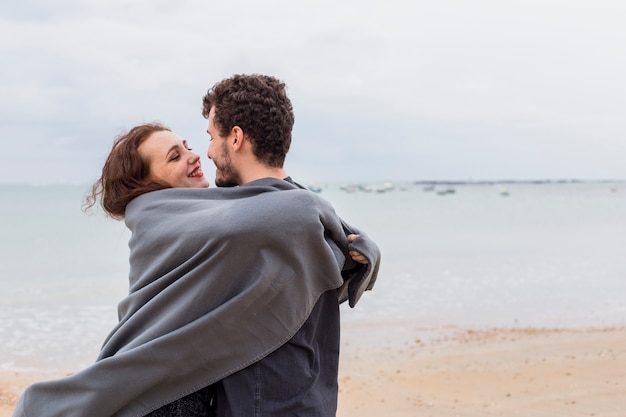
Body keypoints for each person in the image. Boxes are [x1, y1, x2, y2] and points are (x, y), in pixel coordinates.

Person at [13, 116, 380, 416]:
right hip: (164, 396)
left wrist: (350, 245)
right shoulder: (156, 216)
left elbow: (276, 228)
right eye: (174, 157)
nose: (193, 156)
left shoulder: (212, 214)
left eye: (188, 146)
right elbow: (291, 212)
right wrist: (333, 226)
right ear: (147, 185)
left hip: (193, 384)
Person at [200, 73, 377, 416]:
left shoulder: (252, 221)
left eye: (210, 136)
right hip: (313, 401)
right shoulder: (314, 214)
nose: (207, 151)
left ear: (235, 137)